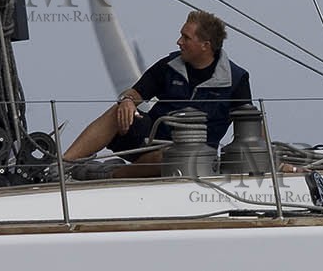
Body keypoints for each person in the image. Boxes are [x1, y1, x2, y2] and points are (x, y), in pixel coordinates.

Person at [62, 10, 252, 175]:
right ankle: (63, 166)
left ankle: (106, 174)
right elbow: (136, 92)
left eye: (186, 38)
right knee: (118, 110)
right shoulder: (169, 66)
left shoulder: (236, 79)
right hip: (151, 137)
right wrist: (127, 100)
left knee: (169, 158)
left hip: (194, 155)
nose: (179, 42)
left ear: (206, 45)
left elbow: (250, 126)